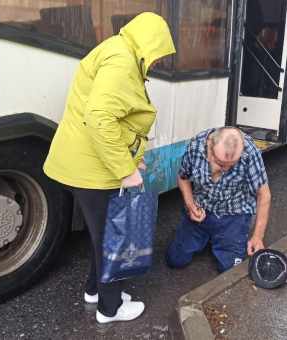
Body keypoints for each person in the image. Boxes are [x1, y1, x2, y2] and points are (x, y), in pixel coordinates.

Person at [43, 12, 175, 324]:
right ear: (149, 44)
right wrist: (125, 170)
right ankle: (110, 308)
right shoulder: (122, 61)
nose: (156, 63)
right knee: (111, 238)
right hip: (92, 168)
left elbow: (114, 120)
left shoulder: (118, 50)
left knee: (101, 234)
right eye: (157, 55)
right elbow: (100, 118)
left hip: (86, 162)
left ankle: (94, 291)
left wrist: (130, 157)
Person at [166, 127, 271, 272]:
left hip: (234, 214)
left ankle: (224, 237)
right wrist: (190, 205)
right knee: (175, 260)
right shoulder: (196, 145)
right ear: (209, 147)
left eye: (231, 165)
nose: (225, 170)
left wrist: (258, 237)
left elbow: (264, 194)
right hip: (201, 208)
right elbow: (183, 177)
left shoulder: (250, 152)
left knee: (229, 270)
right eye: (221, 164)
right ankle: (210, 237)